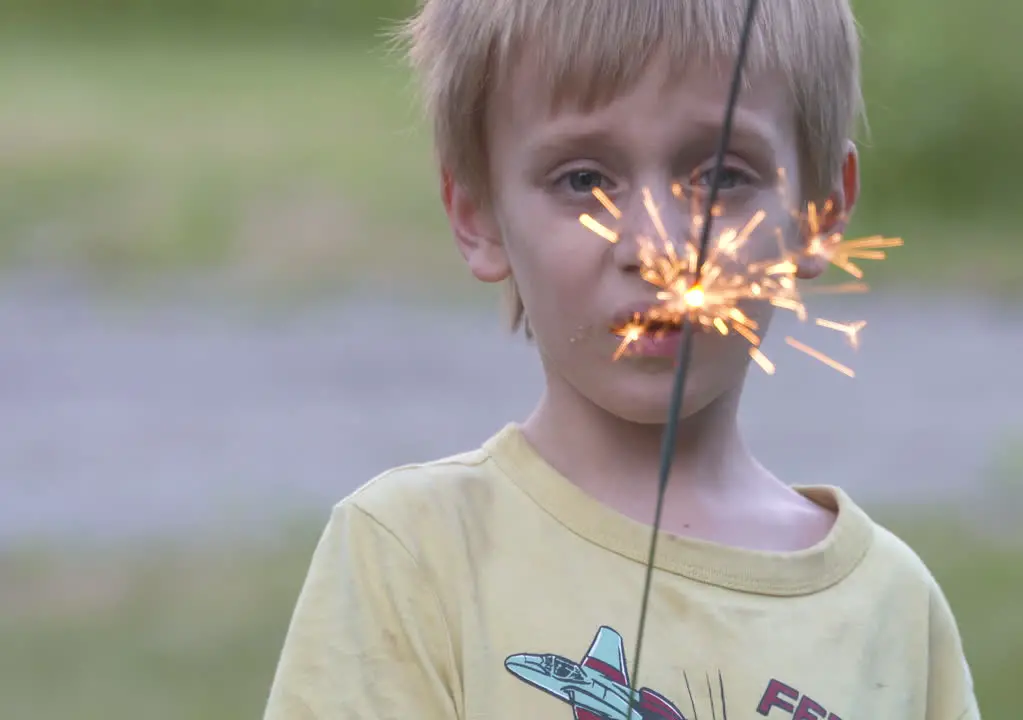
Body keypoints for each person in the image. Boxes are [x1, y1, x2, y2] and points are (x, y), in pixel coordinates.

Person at [263, 0, 981, 718]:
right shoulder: (410, 556)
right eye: (583, 180)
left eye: (723, 177)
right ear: (476, 213)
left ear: (820, 213)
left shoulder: (892, 611)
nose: (658, 246)